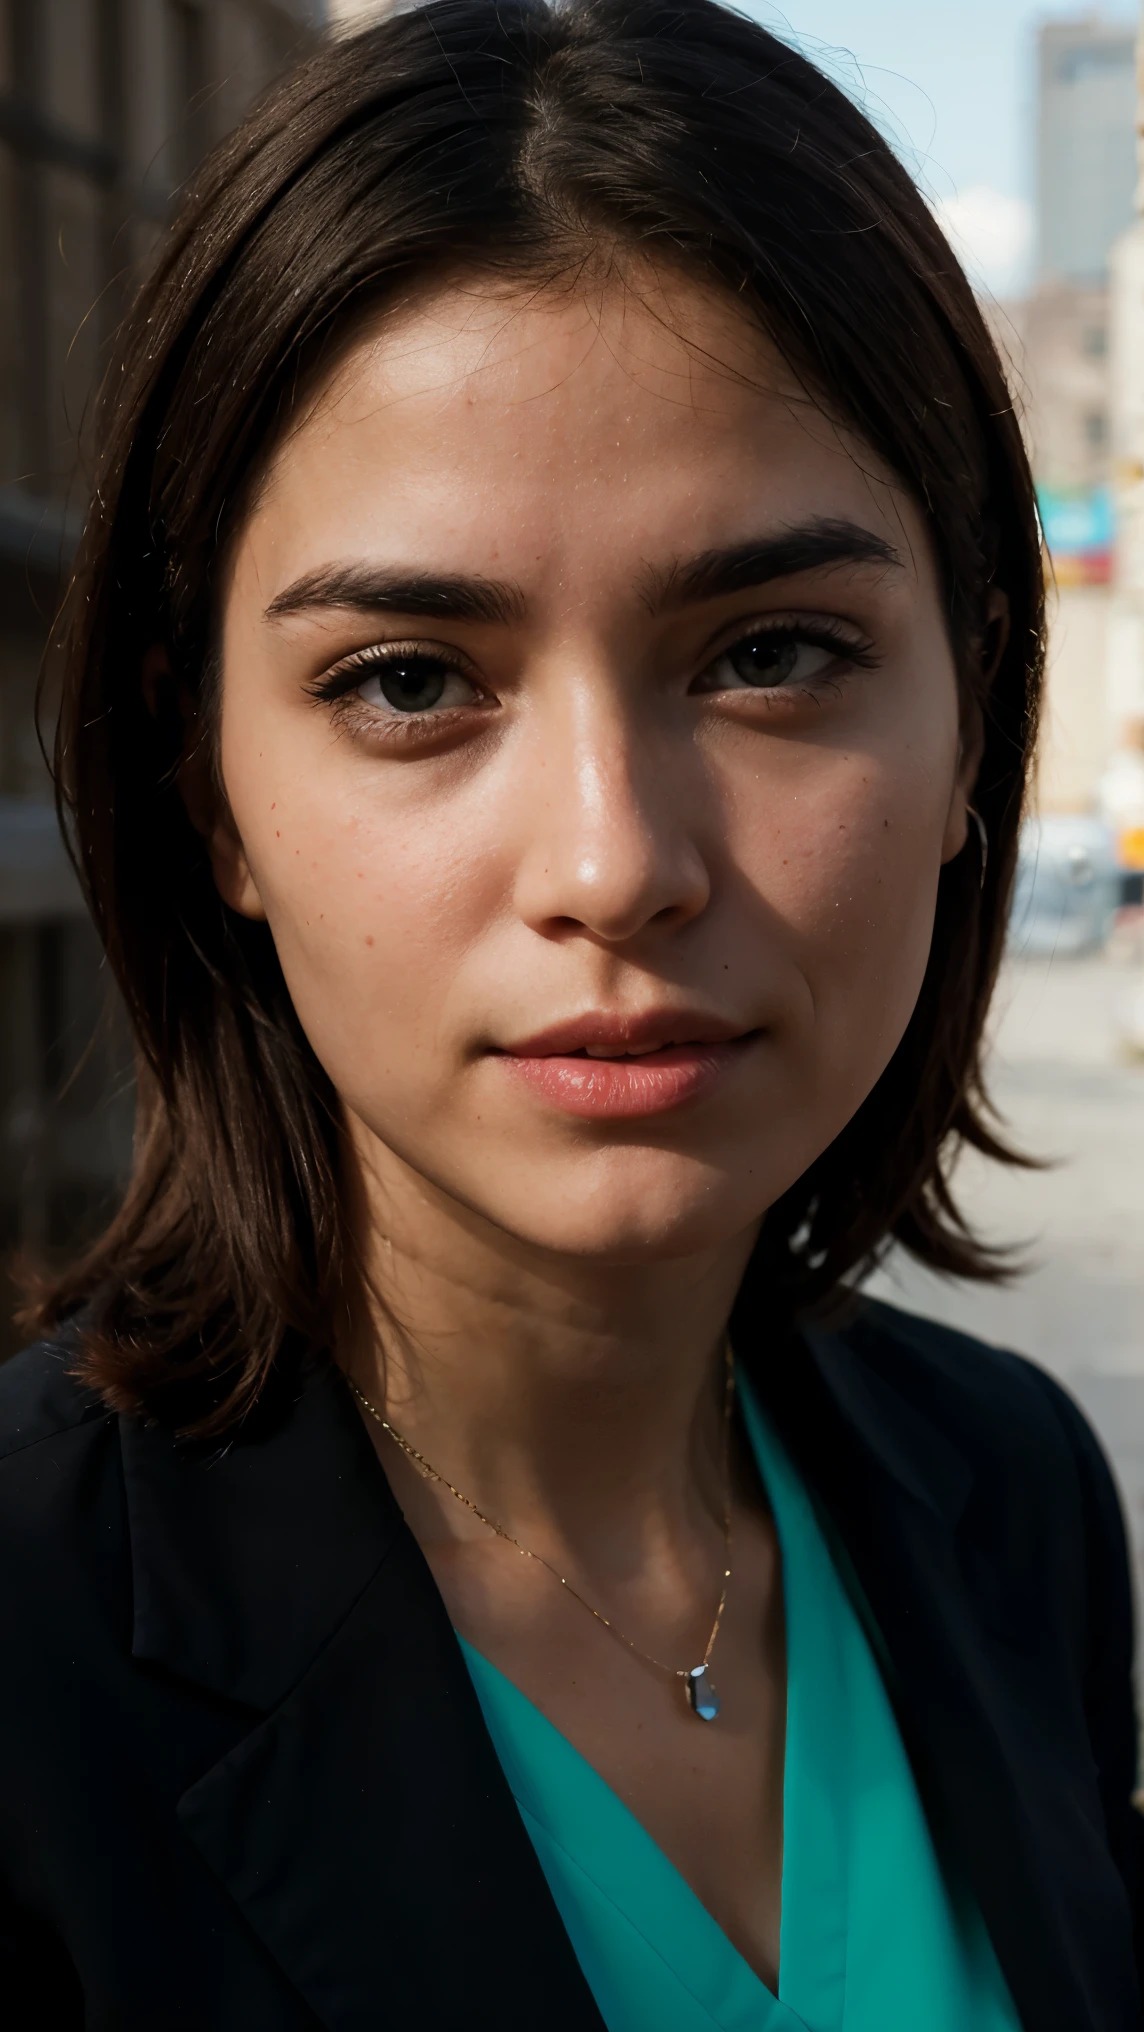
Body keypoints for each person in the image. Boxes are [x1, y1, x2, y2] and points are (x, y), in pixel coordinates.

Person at [0, 2, 1139, 2026]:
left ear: (973, 711)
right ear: (209, 793)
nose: (614, 863)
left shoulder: (1012, 1495)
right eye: (412, 680)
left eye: (771, 651)